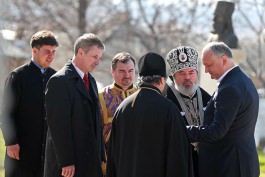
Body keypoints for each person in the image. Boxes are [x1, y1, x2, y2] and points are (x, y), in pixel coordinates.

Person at [107, 52, 194, 177]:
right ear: (162, 80)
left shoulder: (122, 108)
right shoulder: (169, 110)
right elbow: (178, 160)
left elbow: (113, 159)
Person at [186, 42, 260, 177]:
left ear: (224, 59)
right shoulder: (243, 80)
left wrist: (186, 130)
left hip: (229, 165)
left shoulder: (230, 88)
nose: (206, 70)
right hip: (240, 162)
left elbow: (217, 131)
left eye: (209, 65)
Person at [44, 33, 105, 177]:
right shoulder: (59, 81)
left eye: (99, 58)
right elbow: (58, 126)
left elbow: (96, 121)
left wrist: (101, 155)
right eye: (94, 57)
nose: (97, 62)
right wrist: (66, 161)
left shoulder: (91, 80)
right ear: (80, 52)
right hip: (69, 166)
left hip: (90, 161)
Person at [0, 30, 59, 177]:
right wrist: (11, 142)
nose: (51, 56)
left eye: (53, 52)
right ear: (34, 50)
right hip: (21, 151)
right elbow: (7, 112)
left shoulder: (56, 78)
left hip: (47, 153)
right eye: (47, 51)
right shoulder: (18, 76)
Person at [165, 46, 211, 177]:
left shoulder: (209, 98)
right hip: (178, 165)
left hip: (206, 165)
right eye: (182, 73)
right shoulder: (165, 100)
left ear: (197, 73)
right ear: (173, 76)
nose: (187, 78)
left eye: (191, 72)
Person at [98, 52, 137, 176]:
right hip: (110, 166)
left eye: (130, 71)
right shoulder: (101, 97)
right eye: (122, 71)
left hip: (137, 164)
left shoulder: (142, 94)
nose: (127, 75)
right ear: (112, 71)